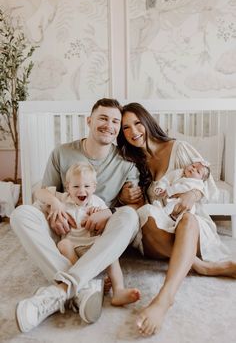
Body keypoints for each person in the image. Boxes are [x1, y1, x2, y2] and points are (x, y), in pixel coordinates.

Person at [11, 98, 143, 333]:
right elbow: (42, 192)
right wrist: (54, 205)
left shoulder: (126, 163)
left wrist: (108, 212)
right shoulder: (62, 152)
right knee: (21, 214)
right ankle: (82, 287)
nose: (109, 125)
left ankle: (60, 291)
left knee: (130, 218)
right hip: (65, 228)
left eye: (115, 121)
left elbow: (135, 206)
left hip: (98, 234)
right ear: (89, 120)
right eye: (103, 118)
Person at [117, 102, 236, 337]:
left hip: (187, 227)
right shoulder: (131, 162)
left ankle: (164, 298)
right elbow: (123, 201)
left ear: (147, 122)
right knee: (146, 215)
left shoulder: (178, 148)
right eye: (126, 128)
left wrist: (192, 193)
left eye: (137, 123)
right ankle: (203, 267)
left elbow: (206, 179)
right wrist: (123, 195)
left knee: (188, 220)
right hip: (158, 233)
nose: (133, 132)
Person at [35, 161, 141, 312]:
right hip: (72, 247)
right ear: (67, 187)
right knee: (63, 245)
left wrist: (100, 217)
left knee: (109, 249)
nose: (81, 191)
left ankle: (118, 290)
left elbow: (109, 228)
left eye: (86, 186)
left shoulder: (97, 203)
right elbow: (39, 192)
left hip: (93, 246)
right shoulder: (64, 199)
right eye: (76, 186)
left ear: (94, 187)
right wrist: (55, 203)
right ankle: (86, 283)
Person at [140, 160, 211, 231]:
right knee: (169, 204)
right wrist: (160, 187)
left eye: (198, 171)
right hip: (169, 199)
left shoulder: (195, 183)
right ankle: (163, 213)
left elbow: (183, 188)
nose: (193, 169)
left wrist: (169, 191)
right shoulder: (178, 172)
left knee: (181, 209)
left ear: (201, 179)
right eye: (193, 166)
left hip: (184, 205)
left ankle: (166, 214)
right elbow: (166, 180)